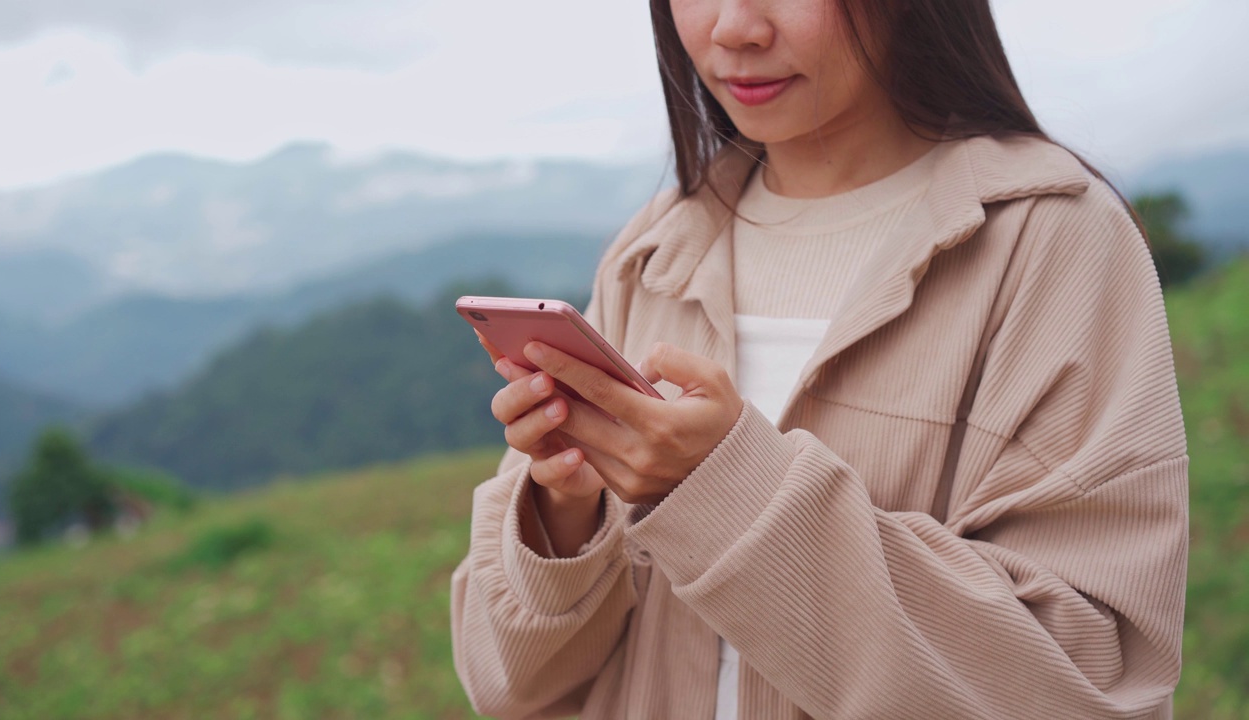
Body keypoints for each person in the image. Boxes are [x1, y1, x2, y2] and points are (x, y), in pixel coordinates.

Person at [450, 0, 1189, 717]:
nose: (736, 28)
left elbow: (1086, 685)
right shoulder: (655, 252)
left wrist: (721, 493)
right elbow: (507, 687)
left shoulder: (1051, 241)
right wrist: (563, 515)